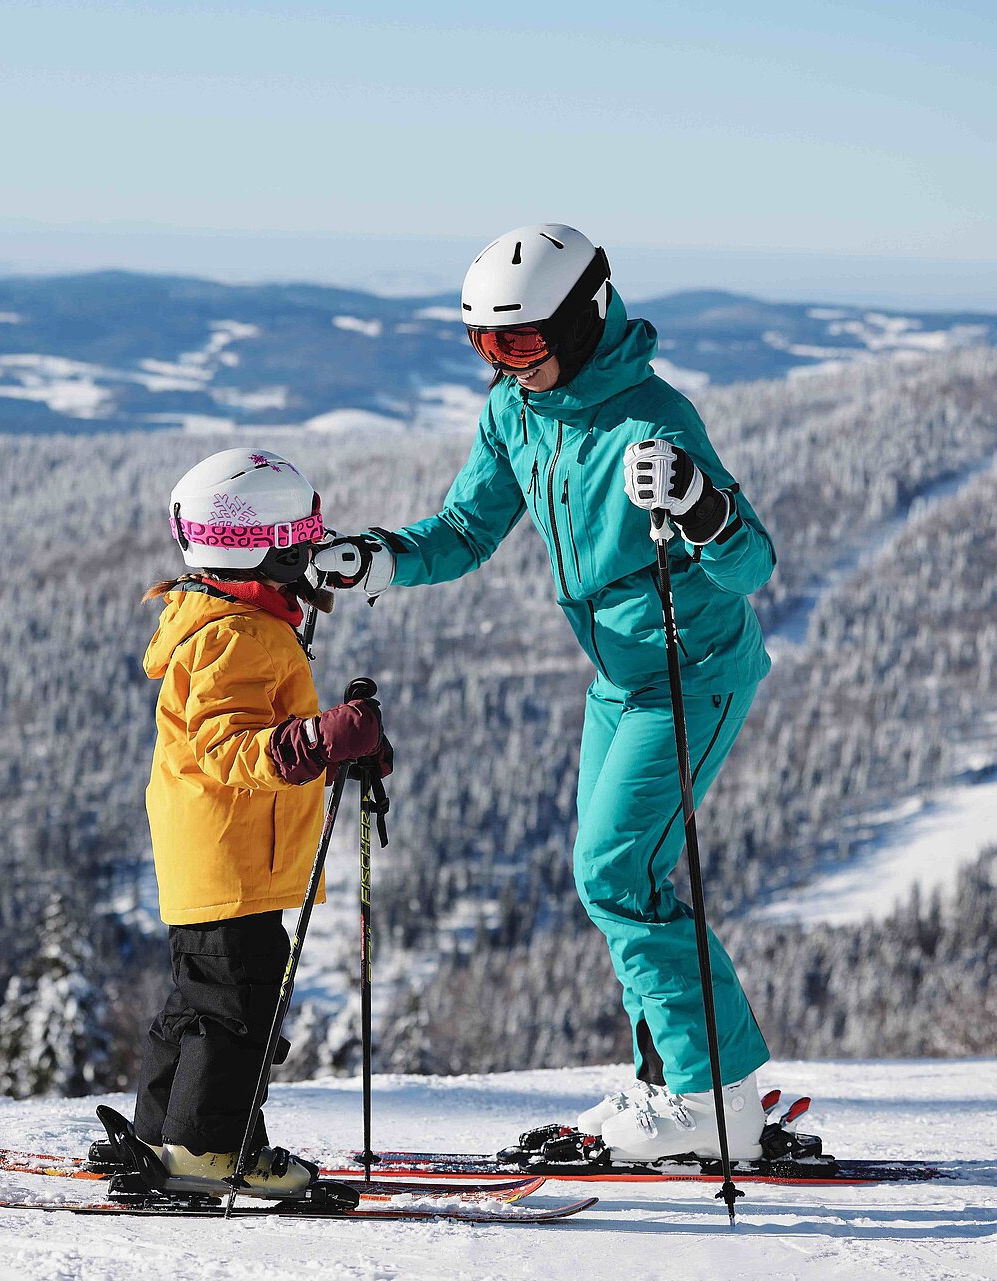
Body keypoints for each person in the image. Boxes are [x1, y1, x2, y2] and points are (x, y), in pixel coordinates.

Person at [314, 225, 775, 1161]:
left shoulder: (656, 420)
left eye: (519, 342)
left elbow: (750, 565)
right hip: (616, 679)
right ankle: (667, 1082)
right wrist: (381, 559)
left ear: (583, 318)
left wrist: (699, 504)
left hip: (689, 673)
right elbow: (466, 531)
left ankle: (717, 1100)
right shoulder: (515, 414)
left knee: (618, 874)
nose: (504, 363)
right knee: (614, 881)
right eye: (484, 344)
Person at [133, 447, 391, 1197]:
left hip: (217, 855)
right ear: (260, 546)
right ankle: (212, 1148)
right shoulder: (233, 634)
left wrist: (337, 747)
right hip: (233, 856)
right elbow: (226, 745)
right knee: (239, 1009)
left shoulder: (233, 620)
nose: (314, 547)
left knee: (201, 1003)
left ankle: (164, 1136)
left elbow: (262, 729)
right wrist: (312, 741)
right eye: (301, 534)